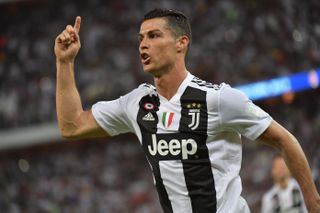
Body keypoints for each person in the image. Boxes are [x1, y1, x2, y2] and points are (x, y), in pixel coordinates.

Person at [54, 8, 320, 213]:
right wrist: (64, 63)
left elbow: (285, 139)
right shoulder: (137, 103)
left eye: (154, 36)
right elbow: (72, 126)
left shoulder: (218, 99)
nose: (143, 45)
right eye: (141, 38)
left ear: (181, 43)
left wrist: (313, 202)